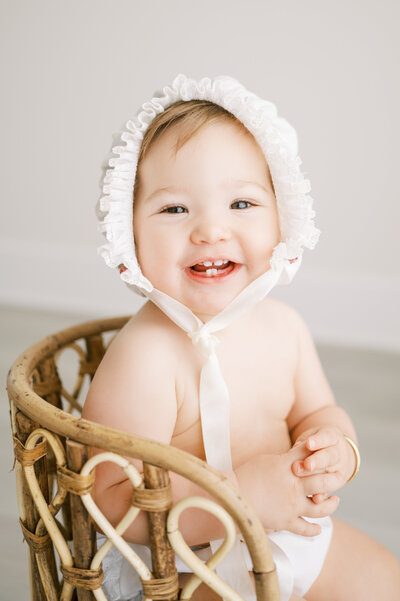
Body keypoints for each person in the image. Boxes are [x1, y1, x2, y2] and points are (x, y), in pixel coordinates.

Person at [83, 74, 399, 601]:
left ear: (283, 220)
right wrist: (238, 497)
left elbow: (317, 412)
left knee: (385, 579)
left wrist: (336, 449)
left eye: (243, 204)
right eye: (175, 209)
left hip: (292, 536)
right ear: (128, 232)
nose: (210, 230)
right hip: (188, 564)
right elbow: (111, 501)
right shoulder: (145, 355)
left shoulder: (285, 328)